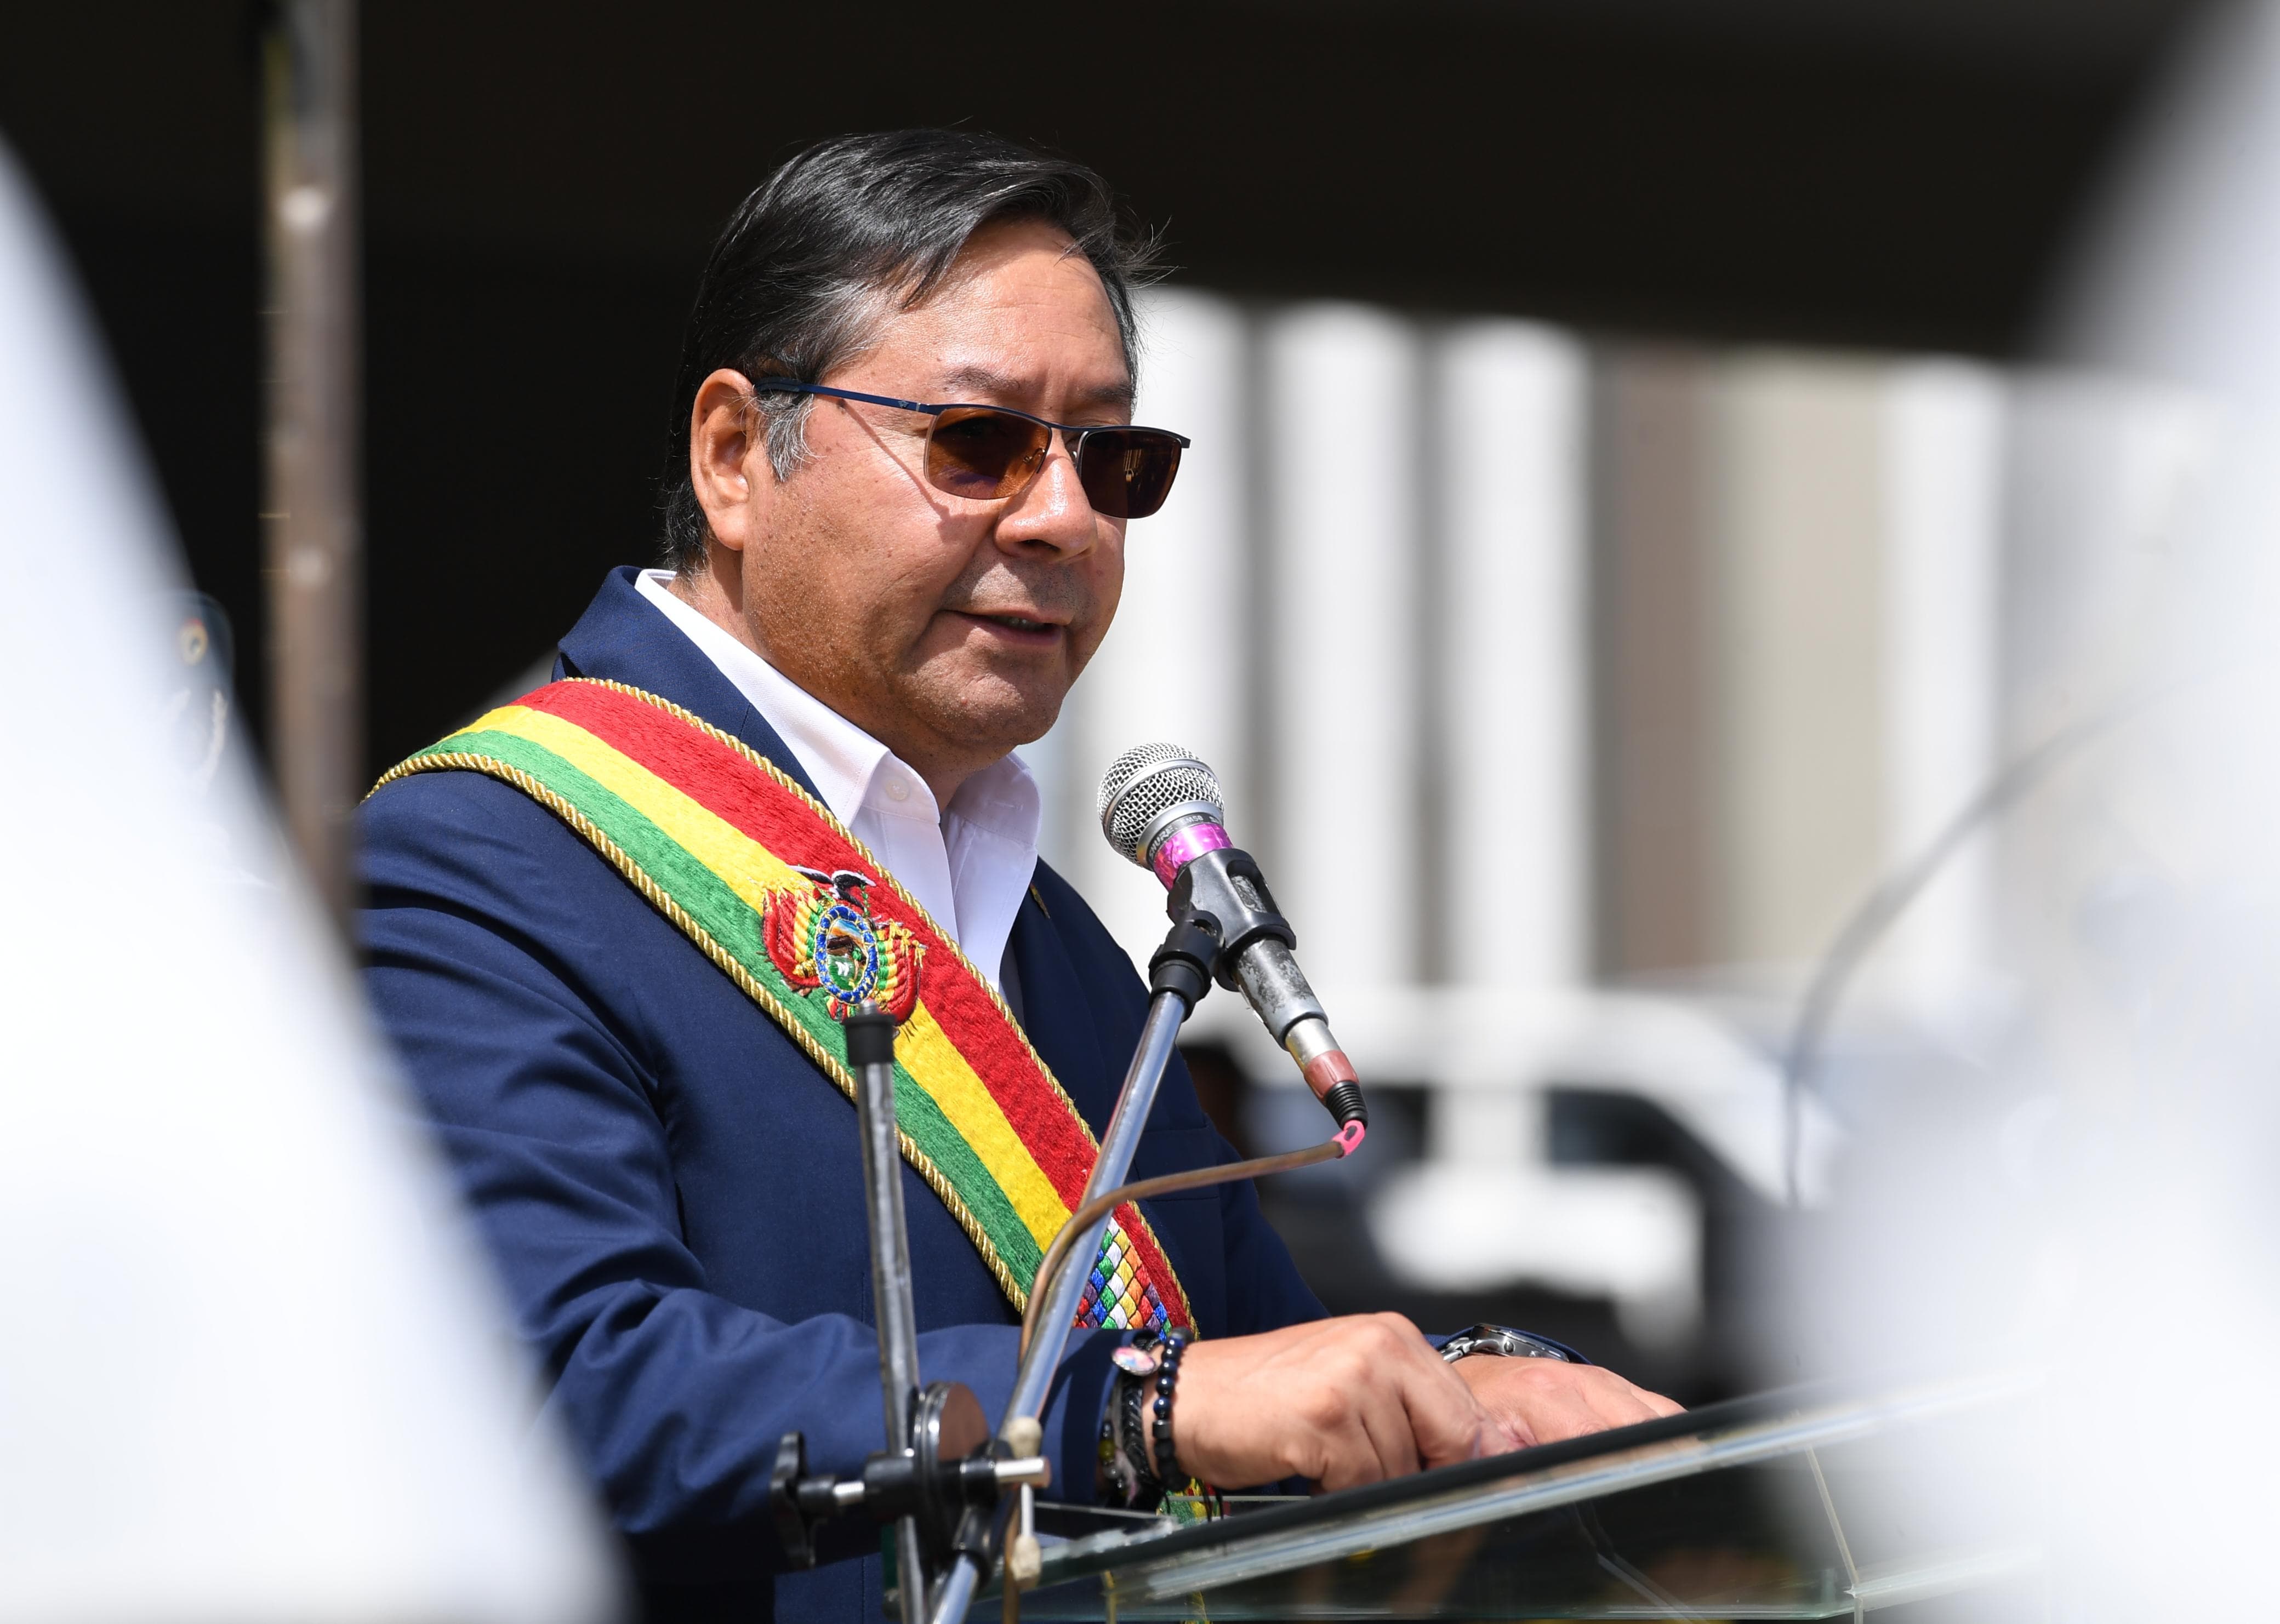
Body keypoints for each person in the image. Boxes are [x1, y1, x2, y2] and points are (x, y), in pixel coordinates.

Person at [359, 129, 1677, 1623]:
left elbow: (1251, 1375)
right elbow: (538, 1383)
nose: (1063, 518)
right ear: (734, 457)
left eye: (1112, 459)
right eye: (976, 443)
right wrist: (1126, 1407)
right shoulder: (482, 858)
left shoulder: (1069, 943)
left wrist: (1469, 1390)